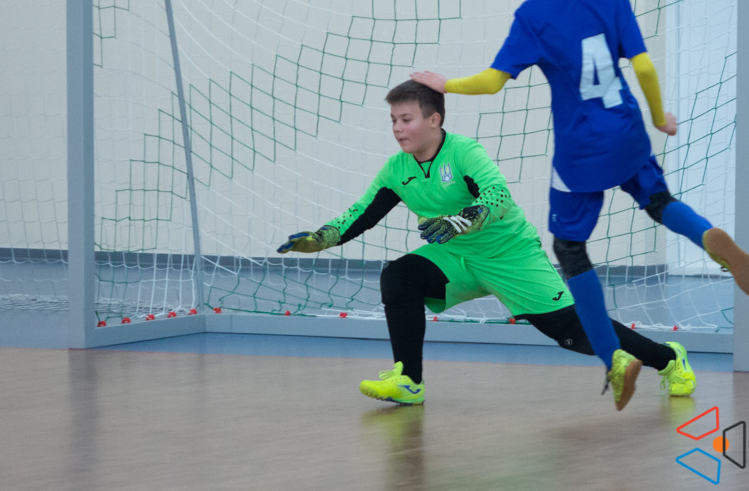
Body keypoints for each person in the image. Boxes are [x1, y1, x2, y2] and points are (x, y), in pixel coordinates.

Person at [411, 0, 749, 408]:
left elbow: (492, 82)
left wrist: (446, 84)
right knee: (660, 201)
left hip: (579, 152)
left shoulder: (532, 14)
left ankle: (613, 357)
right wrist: (659, 117)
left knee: (571, 250)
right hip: (627, 131)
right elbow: (643, 65)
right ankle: (707, 238)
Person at [277, 80, 696, 410]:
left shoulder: (464, 152)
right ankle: (408, 380)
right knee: (399, 276)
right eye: (393, 120)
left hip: (509, 254)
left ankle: (669, 358)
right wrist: (320, 239)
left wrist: (459, 220)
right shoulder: (396, 169)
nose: (398, 129)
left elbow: (498, 196)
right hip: (456, 257)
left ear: (434, 120)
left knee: (570, 332)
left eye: (406, 119)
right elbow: (361, 214)